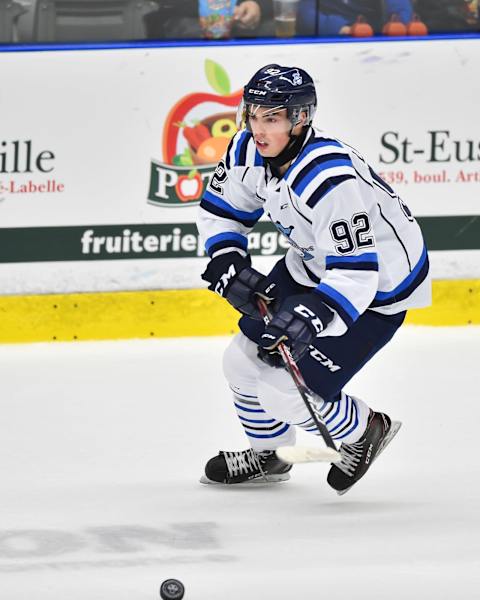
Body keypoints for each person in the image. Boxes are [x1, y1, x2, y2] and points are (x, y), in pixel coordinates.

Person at [196, 64, 431, 494]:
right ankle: (270, 455)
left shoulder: (328, 177)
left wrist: (314, 314)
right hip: (312, 263)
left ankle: (365, 431)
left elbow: (359, 271)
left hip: (378, 288)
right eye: (253, 114)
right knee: (240, 362)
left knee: (283, 391)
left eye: (272, 118)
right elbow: (222, 212)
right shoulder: (247, 150)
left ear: (300, 119)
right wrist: (228, 260)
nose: (258, 129)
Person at [144, 0, 273, 40]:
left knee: (272, 30)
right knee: (187, 29)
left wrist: (257, 5)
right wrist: (210, 8)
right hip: (188, 19)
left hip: (247, 21)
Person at [297, 0, 414, 36]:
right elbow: (306, 14)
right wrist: (344, 28)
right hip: (331, 37)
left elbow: (401, 9)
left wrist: (397, 22)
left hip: (374, 38)